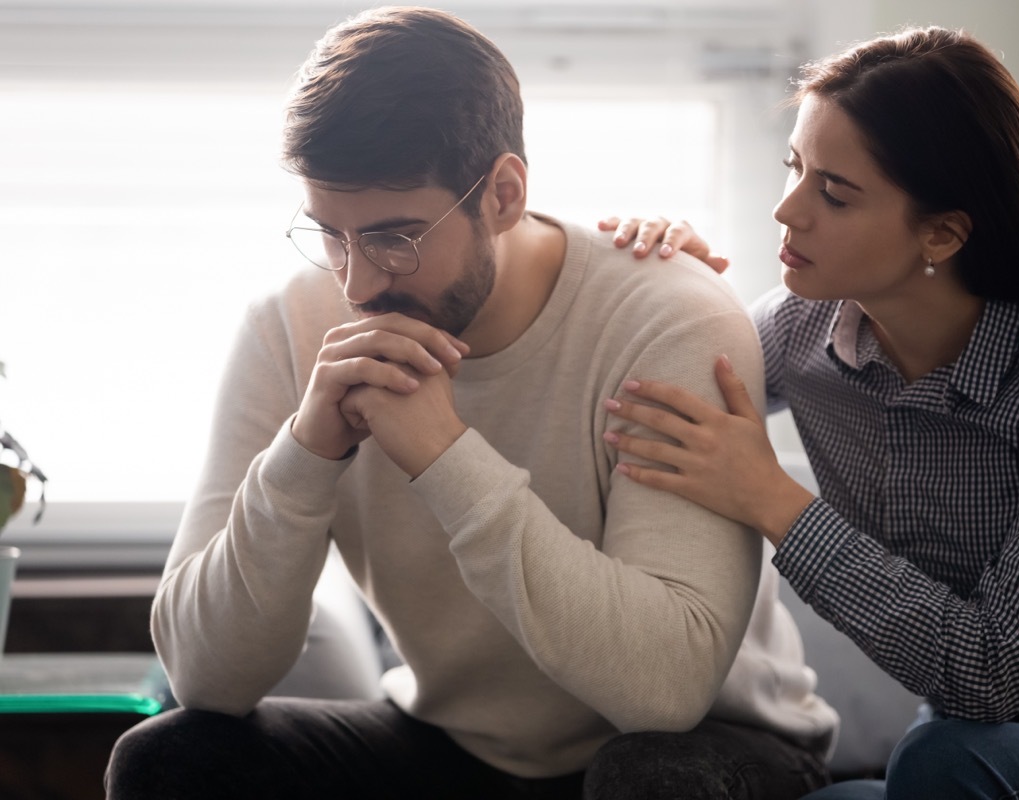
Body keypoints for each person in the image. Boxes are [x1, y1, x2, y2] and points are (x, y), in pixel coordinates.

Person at [103, 6, 837, 800]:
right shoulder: (290, 324)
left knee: (651, 780)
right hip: (458, 747)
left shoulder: (668, 317)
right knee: (168, 758)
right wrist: (305, 455)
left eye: (394, 237)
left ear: (504, 193)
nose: (357, 284)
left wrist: (447, 458)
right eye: (330, 235)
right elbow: (205, 677)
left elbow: (663, 692)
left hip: (705, 744)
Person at [601, 25, 1019, 799]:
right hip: (959, 743)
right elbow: (653, 390)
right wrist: (670, 284)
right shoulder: (800, 328)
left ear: (942, 233)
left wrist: (770, 498)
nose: (787, 211)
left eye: (834, 192)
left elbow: (992, 677)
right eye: (795, 168)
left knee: (940, 762)